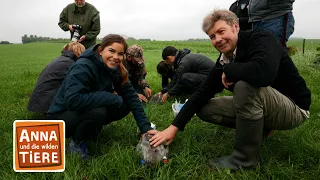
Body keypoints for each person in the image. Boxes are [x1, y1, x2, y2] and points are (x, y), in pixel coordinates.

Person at [150, 9, 311, 172]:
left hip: (293, 108)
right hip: (266, 105)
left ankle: (244, 159)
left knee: (245, 86)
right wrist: (173, 127)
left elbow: (264, 74)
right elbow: (202, 93)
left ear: (235, 27)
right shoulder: (224, 59)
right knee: (204, 108)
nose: (218, 39)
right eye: (212, 36)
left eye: (221, 31)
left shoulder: (262, 38)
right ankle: (260, 129)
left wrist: (230, 69)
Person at [47, 34, 157, 159]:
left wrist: (145, 128)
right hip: (59, 119)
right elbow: (72, 100)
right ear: (100, 50)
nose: (115, 57)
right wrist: (109, 97)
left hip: (80, 110)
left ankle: (89, 130)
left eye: (120, 54)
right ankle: (77, 144)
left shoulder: (115, 69)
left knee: (126, 104)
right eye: (111, 51)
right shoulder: (83, 66)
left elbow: (131, 96)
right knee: (99, 111)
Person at [27, 42, 85, 114]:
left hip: (38, 101)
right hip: (46, 105)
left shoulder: (61, 59)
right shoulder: (70, 63)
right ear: (79, 51)